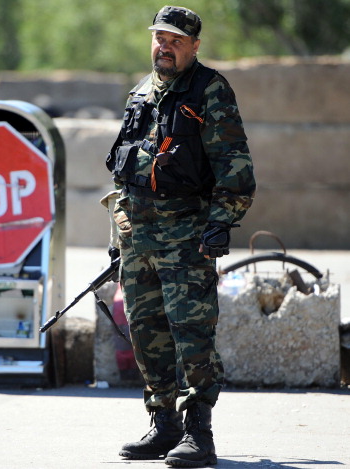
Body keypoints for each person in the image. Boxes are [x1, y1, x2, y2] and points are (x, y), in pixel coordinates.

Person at [104, 5, 256, 467]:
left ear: (193, 46)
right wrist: (118, 232)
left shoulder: (210, 90)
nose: (164, 46)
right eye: (159, 37)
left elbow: (236, 166)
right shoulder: (141, 92)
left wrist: (220, 222)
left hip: (187, 234)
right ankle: (164, 424)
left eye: (174, 40)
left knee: (192, 334)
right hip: (139, 238)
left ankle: (199, 432)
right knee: (147, 333)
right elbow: (123, 169)